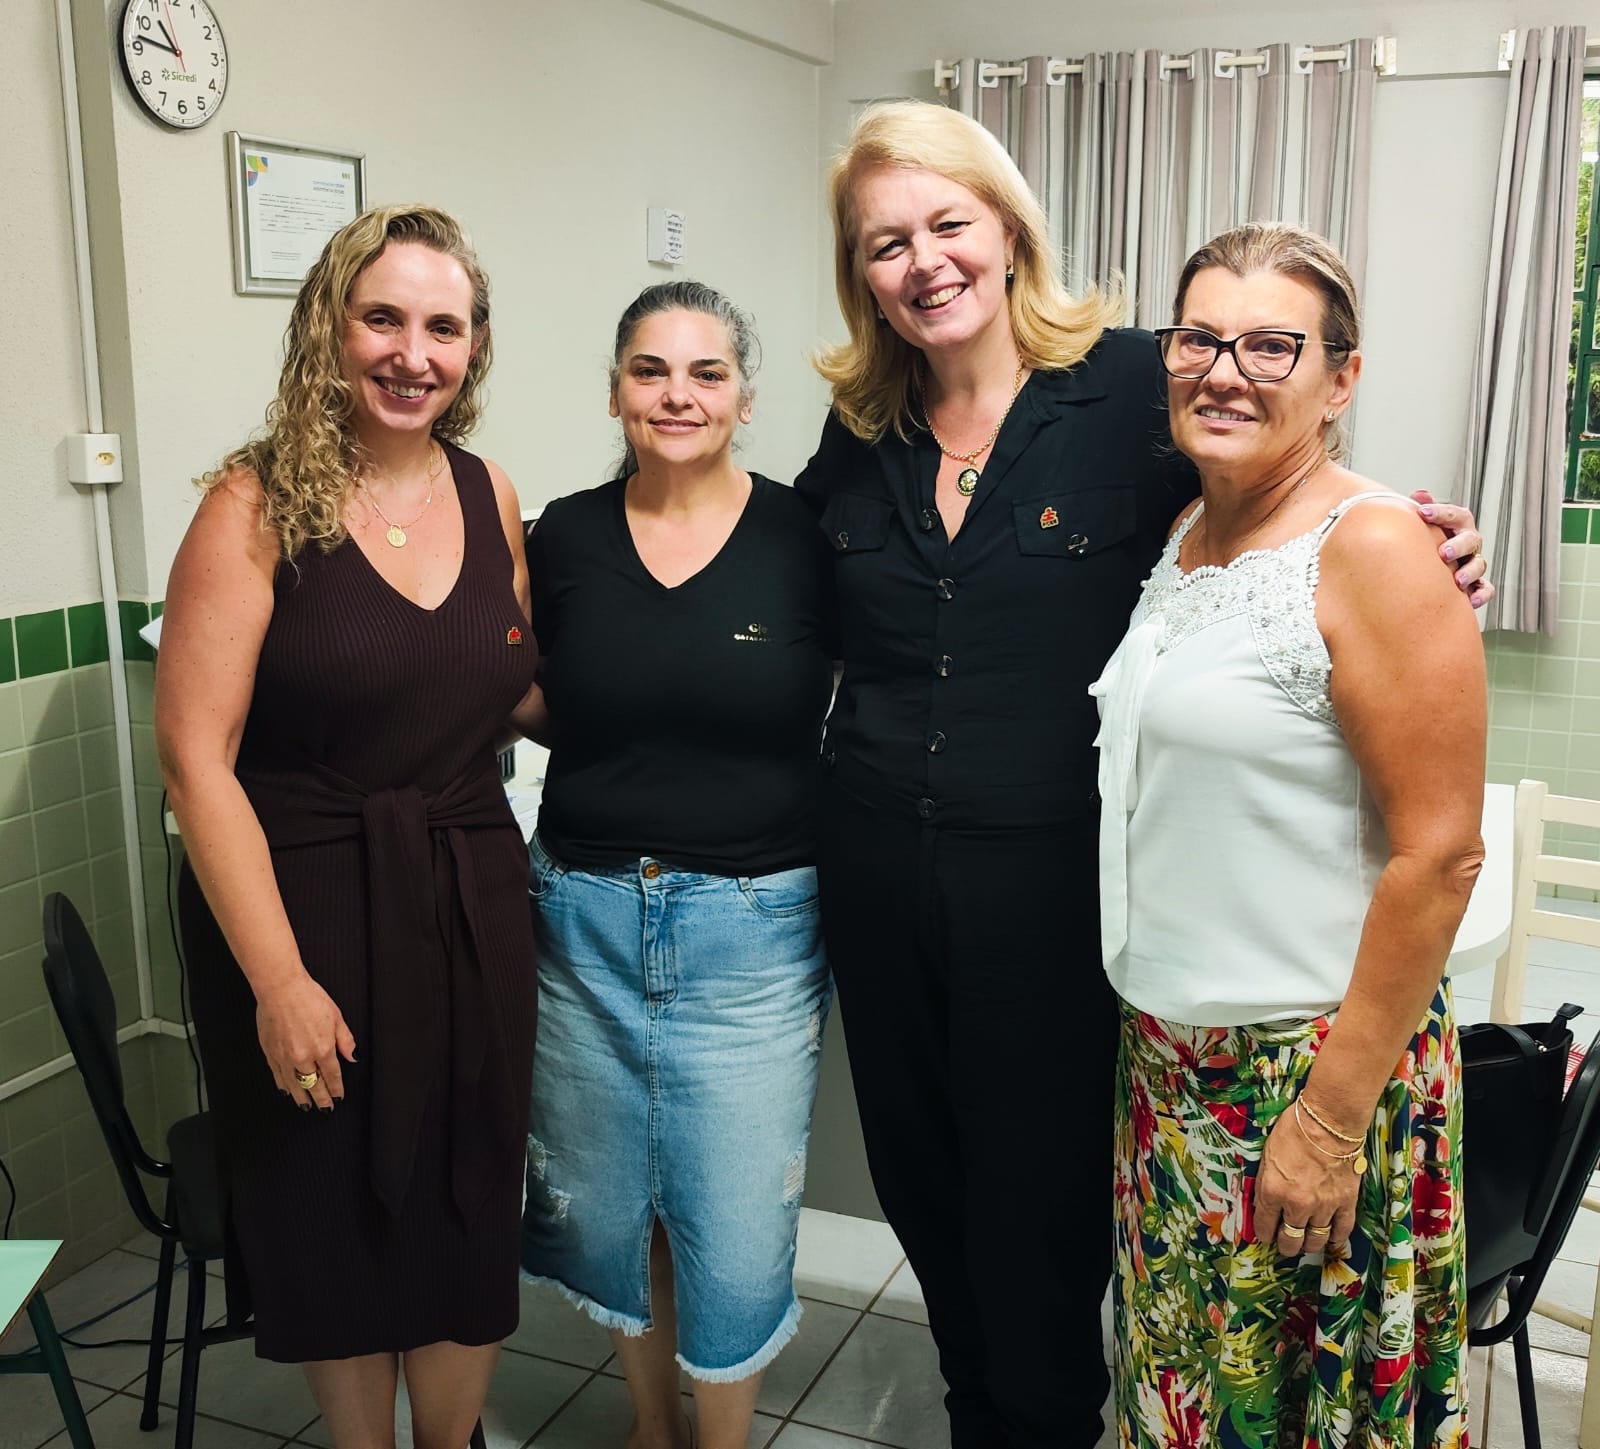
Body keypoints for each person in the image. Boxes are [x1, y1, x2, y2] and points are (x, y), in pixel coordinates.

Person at [795, 101, 1490, 1449]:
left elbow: (1287, 477)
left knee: (1047, 1257)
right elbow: (785, 596)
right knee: (942, 1227)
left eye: (948, 224)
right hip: (889, 904)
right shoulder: (859, 430)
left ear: (1008, 230)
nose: (924, 261)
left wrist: (1429, 538)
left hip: (1056, 922)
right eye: (887, 241)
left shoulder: (1129, 389)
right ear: (859, 273)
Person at [1094, 221, 1483, 1447]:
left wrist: (1323, 1123)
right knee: (1187, 1408)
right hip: (1170, 1072)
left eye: (1273, 345)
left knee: (1297, 1419)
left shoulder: (1369, 544)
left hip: (1307, 1077)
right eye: (1200, 337)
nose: (1226, 370)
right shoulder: (1184, 535)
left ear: (1341, 378)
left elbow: (1441, 852)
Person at [156, 205, 537, 1449]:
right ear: (329, 325)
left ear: (475, 347)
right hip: (306, 913)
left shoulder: (492, 495)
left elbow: (510, 683)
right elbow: (196, 762)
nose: (412, 353)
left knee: (468, 1195)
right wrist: (277, 981)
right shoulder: (252, 507)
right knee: (336, 1211)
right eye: (383, 317)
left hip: (470, 904)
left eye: (444, 325)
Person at [518, 281, 835, 1449]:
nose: (677, 395)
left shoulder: (807, 540)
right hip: (584, 920)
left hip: (753, 933)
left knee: (734, 1220)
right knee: (614, 1211)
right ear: (615, 391)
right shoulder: (560, 534)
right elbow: (519, 684)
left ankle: (720, 1439)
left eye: (706, 373)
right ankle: (651, 1426)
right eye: (651, 371)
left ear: (745, 398)